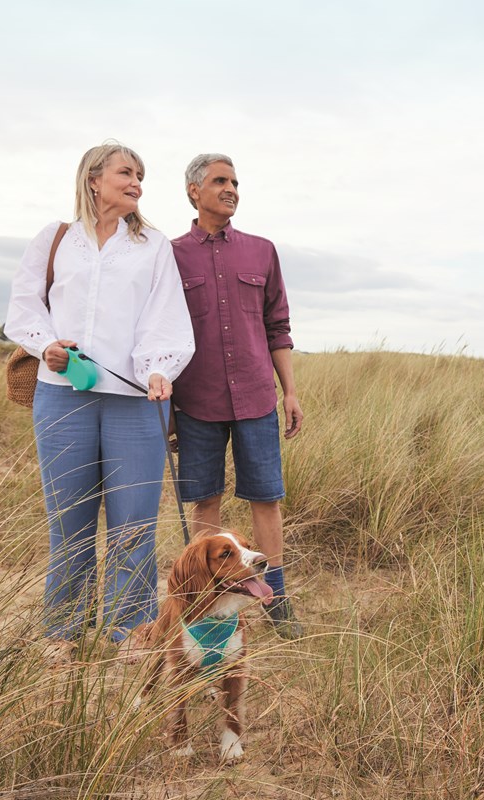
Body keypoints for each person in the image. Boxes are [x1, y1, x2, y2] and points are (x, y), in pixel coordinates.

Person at [5, 141, 195, 661]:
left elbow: (167, 316)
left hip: (136, 401)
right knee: (70, 519)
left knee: (133, 520)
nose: (136, 183)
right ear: (94, 179)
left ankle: (130, 629)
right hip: (62, 396)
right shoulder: (55, 239)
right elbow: (23, 307)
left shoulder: (153, 245)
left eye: (140, 176)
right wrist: (47, 345)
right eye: (126, 173)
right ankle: (62, 630)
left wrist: (160, 370)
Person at [170, 153, 304, 639]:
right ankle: (209, 599)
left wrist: (289, 391)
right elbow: (162, 333)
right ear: (193, 191)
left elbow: (278, 326)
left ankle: (278, 601)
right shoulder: (170, 255)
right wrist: (166, 409)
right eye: (219, 181)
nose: (231, 189)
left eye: (235, 182)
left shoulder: (262, 251)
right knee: (205, 501)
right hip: (196, 401)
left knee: (265, 499)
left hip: (255, 398)